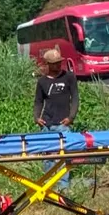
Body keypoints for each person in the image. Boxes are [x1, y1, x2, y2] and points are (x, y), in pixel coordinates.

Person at [34, 48, 79, 190]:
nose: (58, 65)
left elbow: (75, 98)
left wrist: (71, 117)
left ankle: (63, 187)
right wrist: (37, 117)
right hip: (47, 124)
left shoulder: (69, 77)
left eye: (59, 62)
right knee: (47, 155)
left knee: (63, 155)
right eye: (54, 63)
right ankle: (49, 185)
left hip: (63, 124)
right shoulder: (42, 82)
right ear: (47, 64)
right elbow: (38, 101)